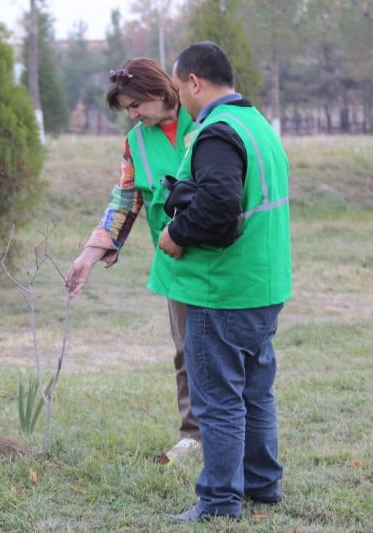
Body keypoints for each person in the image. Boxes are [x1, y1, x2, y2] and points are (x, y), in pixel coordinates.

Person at [149, 42, 292, 523]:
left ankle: (218, 501)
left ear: (193, 81)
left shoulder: (215, 131)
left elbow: (218, 205)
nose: (179, 98)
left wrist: (175, 232)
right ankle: (263, 486)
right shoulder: (259, 126)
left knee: (218, 400)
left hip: (223, 290)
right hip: (263, 286)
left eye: (178, 86)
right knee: (255, 391)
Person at [65, 57, 200, 459]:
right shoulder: (135, 142)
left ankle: (233, 430)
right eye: (127, 109)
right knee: (186, 350)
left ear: (159, 93)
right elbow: (126, 198)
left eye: (135, 105)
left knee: (225, 349)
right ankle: (193, 435)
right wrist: (89, 255)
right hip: (175, 260)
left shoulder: (207, 120)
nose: (133, 114)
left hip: (224, 257)